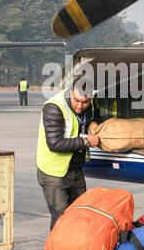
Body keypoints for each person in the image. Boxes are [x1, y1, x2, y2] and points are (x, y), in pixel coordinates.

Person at [36, 83, 99, 228]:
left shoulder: (90, 104)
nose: (80, 106)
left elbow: (94, 115)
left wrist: (94, 122)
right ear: (71, 92)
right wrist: (86, 142)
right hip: (53, 172)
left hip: (75, 169)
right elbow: (54, 144)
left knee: (80, 215)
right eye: (76, 100)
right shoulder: (54, 107)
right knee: (61, 220)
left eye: (85, 102)